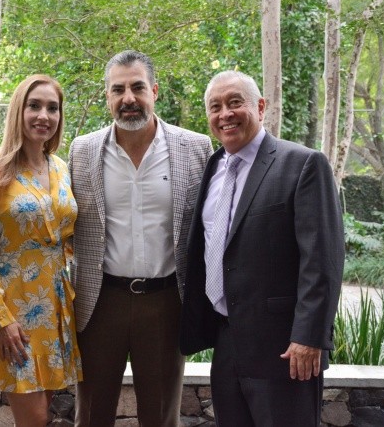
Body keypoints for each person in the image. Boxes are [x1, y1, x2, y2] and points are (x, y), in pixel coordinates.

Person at [179, 70, 344, 426]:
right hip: (227, 344)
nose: (225, 114)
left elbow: (322, 260)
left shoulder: (302, 164)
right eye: (215, 107)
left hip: (285, 350)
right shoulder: (213, 168)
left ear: (260, 107)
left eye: (235, 102)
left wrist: (309, 338)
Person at [69, 50, 213, 427]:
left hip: (166, 303)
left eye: (137, 87)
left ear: (155, 91)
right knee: (91, 416)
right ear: (107, 96)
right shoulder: (82, 150)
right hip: (100, 302)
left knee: (161, 418)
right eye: (118, 89)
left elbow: (212, 228)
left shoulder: (196, 148)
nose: (128, 98)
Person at [0, 75, 82, 427]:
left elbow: (67, 239)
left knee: (42, 413)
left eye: (52, 108)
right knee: (35, 418)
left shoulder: (60, 167)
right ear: (18, 110)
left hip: (56, 309)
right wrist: (1, 319)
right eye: (35, 106)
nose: (44, 115)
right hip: (13, 309)